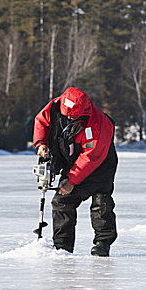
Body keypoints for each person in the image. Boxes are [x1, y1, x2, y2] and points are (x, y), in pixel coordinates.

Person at [33, 87, 118, 256]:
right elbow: (41, 122)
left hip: (100, 161)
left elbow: (91, 157)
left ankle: (102, 243)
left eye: (74, 116)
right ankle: (62, 247)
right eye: (68, 115)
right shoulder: (55, 106)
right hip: (73, 156)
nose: (70, 118)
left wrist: (71, 181)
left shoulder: (98, 124)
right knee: (62, 202)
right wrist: (41, 144)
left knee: (100, 200)